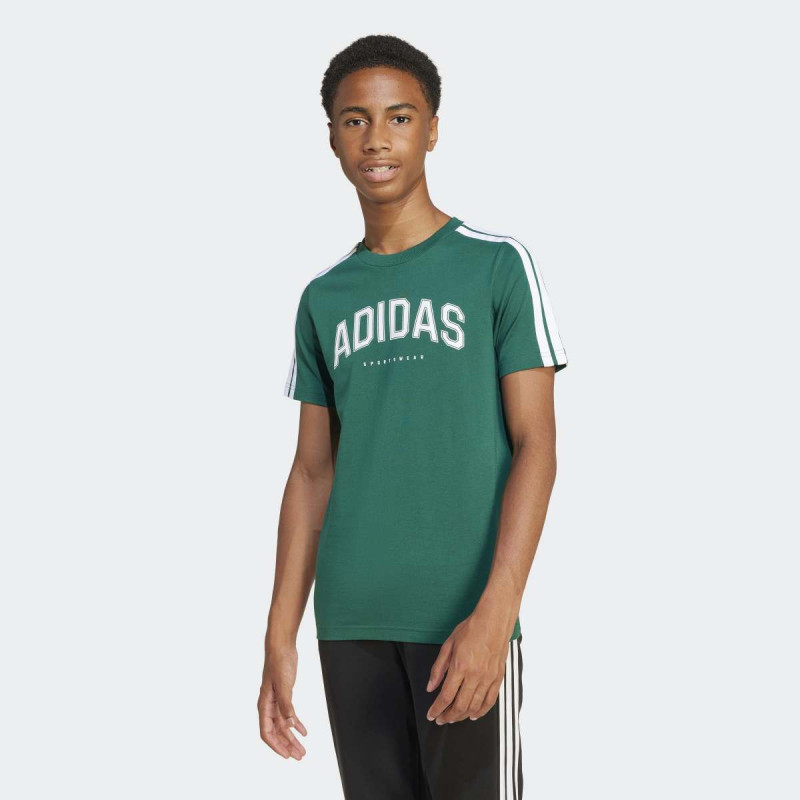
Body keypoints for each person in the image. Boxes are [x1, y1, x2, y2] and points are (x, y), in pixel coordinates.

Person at [258, 33, 568, 800]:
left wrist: (497, 612)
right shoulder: (323, 297)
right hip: (351, 622)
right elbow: (312, 471)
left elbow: (536, 447)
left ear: (432, 129)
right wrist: (279, 633)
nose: (377, 138)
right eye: (355, 120)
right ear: (332, 137)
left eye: (399, 117)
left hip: (461, 620)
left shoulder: (496, 265)